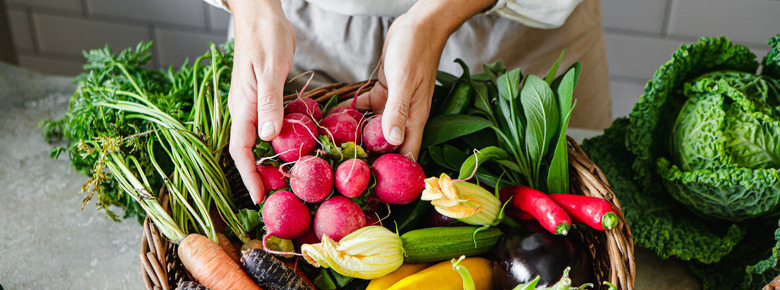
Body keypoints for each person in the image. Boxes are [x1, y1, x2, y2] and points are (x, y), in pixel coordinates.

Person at [202, 0, 611, 204]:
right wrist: (252, 9)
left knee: (558, 179)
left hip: (506, 27)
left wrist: (434, 20)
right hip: (297, 20)